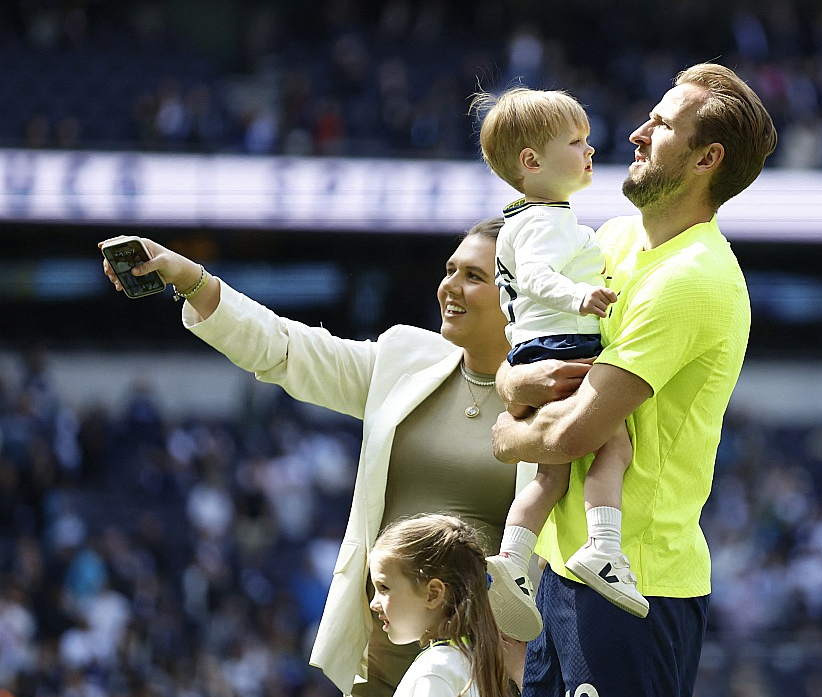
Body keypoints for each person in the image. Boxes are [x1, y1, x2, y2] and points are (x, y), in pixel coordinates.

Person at [99, 219, 532, 697]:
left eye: (474, 276)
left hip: (497, 667)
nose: (450, 285)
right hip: (386, 659)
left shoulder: (556, 394)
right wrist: (190, 279)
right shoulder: (405, 356)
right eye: (450, 270)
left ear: (519, 292)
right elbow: (286, 351)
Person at [491, 63, 778, 696]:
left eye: (662, 124)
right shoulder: (610, 241)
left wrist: (506, 435)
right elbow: (524, 357)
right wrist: (514, 386)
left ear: (707, 159)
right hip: (565, 570)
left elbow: (572, 433)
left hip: (638, 584)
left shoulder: (694, 277)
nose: (636, 135)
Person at [471, 86, 644, 640]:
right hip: (563, 347)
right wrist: (581, 297)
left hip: (531, 350)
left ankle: (513, 562)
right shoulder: (545, 220)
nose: (590, 150)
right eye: (577, 141)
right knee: (614, 445)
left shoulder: (519, 221)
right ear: (532, 162)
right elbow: (540, 279)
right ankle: (604, 548)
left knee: (549, 473)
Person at [369, 513, 512, 697]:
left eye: (384, 588)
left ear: (433, 594)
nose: (374, 603)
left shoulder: (433, 672)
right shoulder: (471, 661)